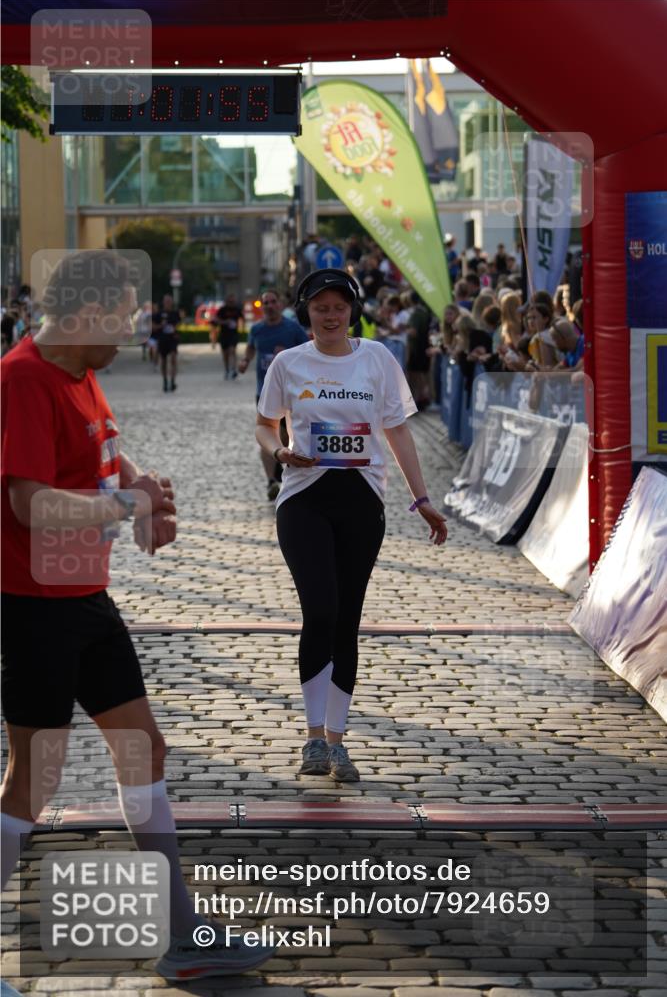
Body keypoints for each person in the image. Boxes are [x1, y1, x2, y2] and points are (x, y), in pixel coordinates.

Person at [0, 251, 273, 985]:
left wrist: (142, 487)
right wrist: (129, 504)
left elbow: (104, 455)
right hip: (34, 607)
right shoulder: (23, 377)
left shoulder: (80, 370)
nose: (131, 330)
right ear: (85, 314)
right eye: (122, 317)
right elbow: (29, 504)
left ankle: (184, 937)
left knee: (143, 752)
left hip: (84, 599)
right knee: (33, 782)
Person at [255, 269, 447, 783]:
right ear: (307, 312)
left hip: (362, 503)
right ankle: (313, 736)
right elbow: (264, 424)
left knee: (346, 620)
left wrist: (422, 498)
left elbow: (398, 430)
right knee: (320, 610)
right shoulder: (288, 363)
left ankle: (337, 743)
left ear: (352, 311)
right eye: (321, 308)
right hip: (303, 501)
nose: (330, 316)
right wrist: (279, 451)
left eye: (339, 307)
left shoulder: (377, 358)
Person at [238, 289, 308, 500]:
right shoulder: (257, 329)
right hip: (264, 391)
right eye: (265, 302)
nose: (269, 305)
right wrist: (245, 360)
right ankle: (271, 481)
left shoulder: (292, 328)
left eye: (272, 301)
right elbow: (251, 348)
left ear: (279, 304)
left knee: (285, 436)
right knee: (268, 433)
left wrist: (287, 356)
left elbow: (308, 351)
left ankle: (282, 468)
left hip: (291, 393)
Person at [212, 293, 244, 380]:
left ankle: (233, 370)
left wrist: (242, 328)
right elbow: (215, 319)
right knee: (225, 354)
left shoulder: (237, 309)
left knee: (232, 351)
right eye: (230, 301)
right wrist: (225, 322)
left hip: (233, 334)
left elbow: (242, 318)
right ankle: (226, 370)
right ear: (227, 301)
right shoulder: (222, 310)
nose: (232, 302)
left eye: (233, 301)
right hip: (224, 334)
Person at [156, 294, 180, 392]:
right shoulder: (159, 314)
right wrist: (161, 325)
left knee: (173, 358)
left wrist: (176, 330)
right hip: (162, 339)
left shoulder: (175, 313)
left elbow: (179, 324)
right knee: (164, 360)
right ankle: (165, 381)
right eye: (166, 301)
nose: (168, 303)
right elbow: (153, 326)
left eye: (169, 301)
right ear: (163, 302)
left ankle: (172, 381)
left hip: (172, 339)